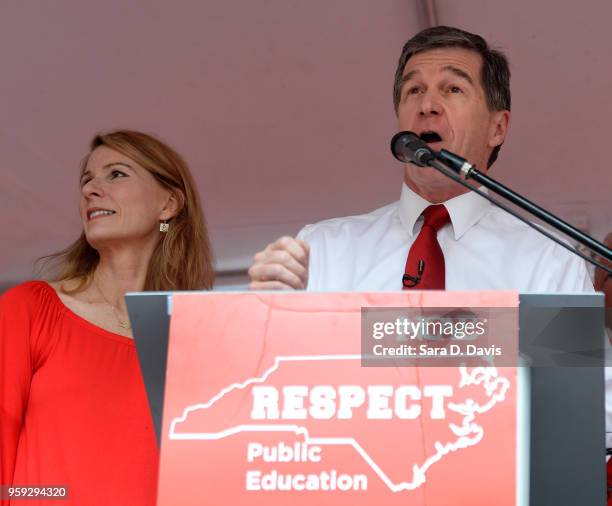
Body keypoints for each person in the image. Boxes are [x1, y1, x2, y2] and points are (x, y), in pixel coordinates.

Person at [248, 26, 592, 294]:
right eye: (414, 90)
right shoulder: (322, 250)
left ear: (497, 128)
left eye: (452, 89)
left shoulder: (550, 259)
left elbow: (568, 384)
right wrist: (269, 307)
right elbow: (276, 371)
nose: (427, 105)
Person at [0, 130, 214, 505]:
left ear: (169, 204)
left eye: (116, 174)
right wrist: (53, 495)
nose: (90, 190)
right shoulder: (29, 310)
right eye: (87, 180)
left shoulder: (202, 339)